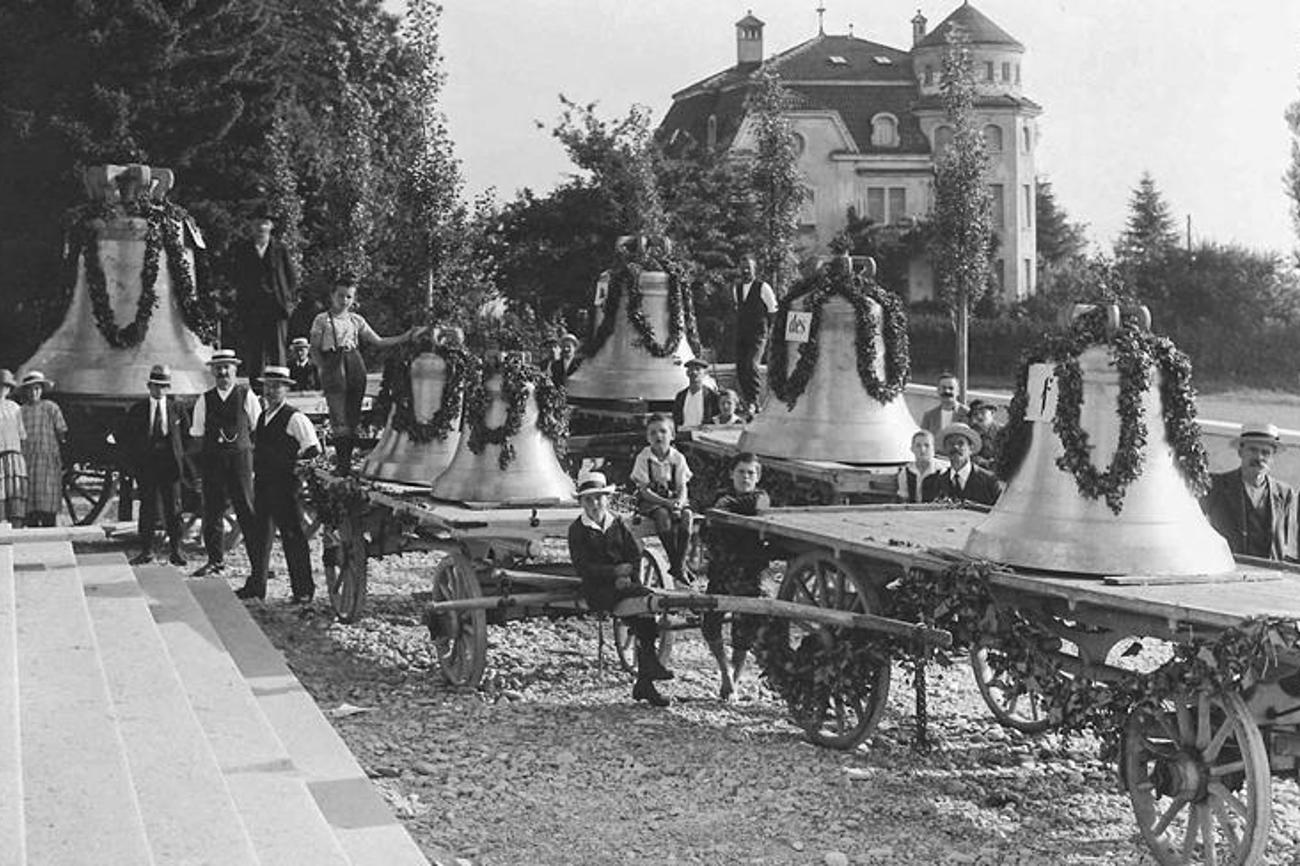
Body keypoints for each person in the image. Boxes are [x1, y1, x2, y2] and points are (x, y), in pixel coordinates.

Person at [567, 470, 673, 707]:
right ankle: (648, 672)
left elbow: (634, 555)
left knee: (644, 604)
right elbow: (583, 567)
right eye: (589, 499)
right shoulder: (577, 530)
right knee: (641, 606)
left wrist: (629, 575)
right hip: (597, 589)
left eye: (599, 498)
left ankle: (646, 678)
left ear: (607, 499)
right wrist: (614, 574)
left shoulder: (617, 523)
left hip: (623, 584)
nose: (595, 504)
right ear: (582, 503)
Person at [309, 280, 421, 475]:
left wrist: (405, 337)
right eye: (341, 295)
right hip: (333, 362)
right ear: (332, 296)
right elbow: (314, 349)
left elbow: (378, 341)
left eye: (349, 296)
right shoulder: (322, 320)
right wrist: (323, 370)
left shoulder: (356, 320)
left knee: (353, 414)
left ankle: (347, 463)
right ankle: (341, 464)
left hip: (354, 362)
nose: (344, 300)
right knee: (338, 415)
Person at [235, 366, 322, 602]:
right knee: (259, 537)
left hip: (285, 488)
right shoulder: (263, 416)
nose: (271, 391)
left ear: (286, 389)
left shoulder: (295, 417)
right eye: (268, 386)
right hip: (263, 484)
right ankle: (257, 586)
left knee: (292, 537)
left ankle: (303, 591)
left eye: (277, 386)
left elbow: (313, 449)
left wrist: (297, 471)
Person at [701, 452, 771, 700]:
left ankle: (735, 680)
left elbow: (753, 506)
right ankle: (724, 672)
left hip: (748, 571)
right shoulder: (721, 496)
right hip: (721, 569)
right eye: (741, 472)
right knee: (710, 623)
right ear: (732, 474)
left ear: (758, 476)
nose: (745, 477)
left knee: (744, 630)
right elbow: (707, 526)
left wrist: (724, 509)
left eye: (751, 473)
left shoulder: (760, 498)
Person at [190, 348, 260, 577]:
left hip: (240, 460)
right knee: (212, 511)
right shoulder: (204, 399)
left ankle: (258, 565)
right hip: (214, 460)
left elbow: (258, 427)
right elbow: (198, 433)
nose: (222, 372)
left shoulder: (246, 395)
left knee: (247, 511)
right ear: (212, 372)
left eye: (227, 368)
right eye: (218, 368)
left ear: (234, 370)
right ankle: (215, 561)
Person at [121, 365, 189, 565]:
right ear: (149, 386)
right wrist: (134, 464)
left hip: (170, 465)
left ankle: (176, 549)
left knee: (173, 508)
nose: (159, 390)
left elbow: (187, 435)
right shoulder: (138, 410)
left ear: (168, 388)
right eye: (156, 386)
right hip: (147, 464)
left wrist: (180, 457)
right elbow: (127, 439)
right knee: (147, 507)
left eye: (164, 386)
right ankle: (146, 550)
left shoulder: (177, 409)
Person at [1202, 422, 1298, 560]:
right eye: (1253, 450)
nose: (1259, 458)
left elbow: (1289, 543)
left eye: (1265, 453)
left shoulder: (1285, 493)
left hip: (1269, 575)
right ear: (1240, 452)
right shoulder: (1216, 486)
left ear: (1272, 458)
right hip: (1228, 569)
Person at [232, 213, 297, 382]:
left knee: (277, 351)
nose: (261, 227)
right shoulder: (243, 249)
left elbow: (291, 278)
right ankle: (257, 393)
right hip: (252, 309)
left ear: (271, 227)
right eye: (258, 222)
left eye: (265, 223)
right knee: (255, 351)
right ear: (252, 226)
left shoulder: (280, 249)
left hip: (276, 309)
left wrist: (286, 301)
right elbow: (237, 277)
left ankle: (279, 388)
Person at [631, 413, 694, 583]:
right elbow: (644, 491)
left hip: (674, 499)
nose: (658, 436)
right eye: (653, 433)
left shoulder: (677, 458)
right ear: (647, 438)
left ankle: (678, 564)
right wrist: (666, 503)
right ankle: (677, 564)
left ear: (672, 435)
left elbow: (682, 486)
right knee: (662, 516)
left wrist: (679, 503)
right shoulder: (644, 458)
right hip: (651, 501)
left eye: (663, 431)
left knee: (687, 517)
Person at [19, 371, 66, 527]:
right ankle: (31, 531)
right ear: (26, 391)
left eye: (37, 388)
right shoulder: (21, 411)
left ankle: (49, 530)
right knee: (30, 497)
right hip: (28, 458)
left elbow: (61, 431)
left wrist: (58, 452)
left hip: (47, 458)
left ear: (42, 390)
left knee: (47, 495)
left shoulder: (50, 407)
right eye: (30, 389)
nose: (34, 392)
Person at [734, 254, 777, 413]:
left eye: (749, 268)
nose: (745, 271)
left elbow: (773, 311)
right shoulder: (737, 288)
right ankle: (747, 401)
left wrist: (771, 332)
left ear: (754, 269)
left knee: (751, 365)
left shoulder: (763, 287)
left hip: (758, 334)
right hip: (742, 334)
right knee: (740, 367)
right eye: (743, 268)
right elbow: (739, 310)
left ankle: (754, 400)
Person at [923, 423, 1001, 506]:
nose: (955, 447)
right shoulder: (935, 482)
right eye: (951, 443)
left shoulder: (989, 481)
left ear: (971, 448)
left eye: (961, 443)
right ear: (945, 449)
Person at [0, 370, 27, 527]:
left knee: (16, 494)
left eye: (5, 387)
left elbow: (22, 434)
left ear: (9, 389)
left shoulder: (15, 408)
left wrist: (22, 456)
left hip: (14, 455)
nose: (1, 390)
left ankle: (17, 531)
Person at [897, 429, 944, 504]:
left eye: (927, 445)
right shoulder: (905, 472)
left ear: (933, 449)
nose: (922, 450)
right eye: (918, 446)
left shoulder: (942, 471)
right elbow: (904, 500)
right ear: (912, 449)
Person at [672, 358, 719, 431]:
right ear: (687, 373)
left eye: (698, 369)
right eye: (691, 370)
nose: (694, 372)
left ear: (705, 373)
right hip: (683, 435)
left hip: (704, 436)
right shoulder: (681, 396)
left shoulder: (712, 396)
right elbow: (676, 418)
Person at [919, 373, 969, 441]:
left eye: (951, 388)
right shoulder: (929, 416)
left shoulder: (967, 414)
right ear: (938, 390)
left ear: (957, 391)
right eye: (943, 388)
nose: (947, 391)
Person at [967, 399, 1002, 470]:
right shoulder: (971, 433)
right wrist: (985, 462)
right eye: (975, 414)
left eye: (983, 413)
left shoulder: (1003, 432)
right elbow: (969, 454)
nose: (979, 416)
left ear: (992, 413)